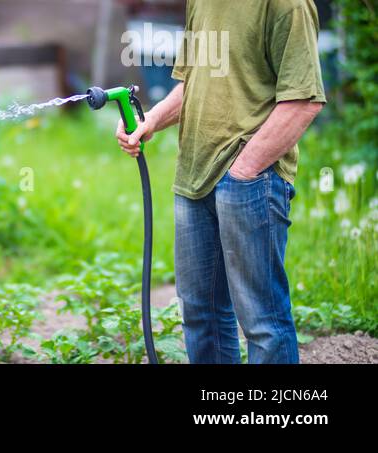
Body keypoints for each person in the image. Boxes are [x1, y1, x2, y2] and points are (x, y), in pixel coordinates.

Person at [116, 0, 326, 363]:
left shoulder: (287, 5)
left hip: (250, 182)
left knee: (263, 321)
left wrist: (245, 169)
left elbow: (303, 99)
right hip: (194, 176)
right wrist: (150, 120)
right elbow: (194, 82)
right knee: (201, 315)